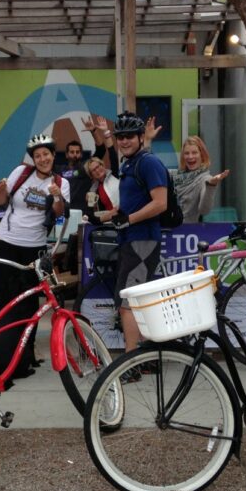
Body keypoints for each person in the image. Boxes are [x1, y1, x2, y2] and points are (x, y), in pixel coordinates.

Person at [0, 133, 69, 379]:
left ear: (53, 155)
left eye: (46, 154)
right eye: (38, 155)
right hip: (6, 243)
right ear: (33, 158)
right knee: (5, 301)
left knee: (30, 303)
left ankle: (26, 355)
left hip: (34, 248)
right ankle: (3, 356)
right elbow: (2, 202)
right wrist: (0, 190)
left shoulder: (60, 182)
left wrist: (56, 195)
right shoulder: (21, 173)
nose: (42, 158)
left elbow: (59, 214)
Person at [106, 111, 167, 357]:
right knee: (134, 303)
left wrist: (128, 219)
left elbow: (160, 203)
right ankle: (143, 357)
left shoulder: (148, 162)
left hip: (142, 241)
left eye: (129, 136)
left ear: (141, 137)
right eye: (120, 137)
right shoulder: (129, 163)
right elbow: (135, 200)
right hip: (131, 240)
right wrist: (117, 212)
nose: (124, 141)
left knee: (127, 304)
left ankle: (132, 361)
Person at [174, 135, 230, 223]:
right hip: (166, 230)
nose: (190, 156)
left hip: (187, 232)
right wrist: (146, 140)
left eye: (194, 152)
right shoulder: (174, 175)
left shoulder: (205, 179)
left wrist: (211, 185)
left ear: (202, 155)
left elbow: (204, 210)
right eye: (187, 153)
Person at [57, 139, 88, 212]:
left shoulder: (86, 167)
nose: (75, 155)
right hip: (64, 209)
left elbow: (101, 150)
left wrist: (94, 131)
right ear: (66, 154)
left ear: (81, 154)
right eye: (72, 152)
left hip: (81, 211)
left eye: (77, 152)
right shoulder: (59, 169)